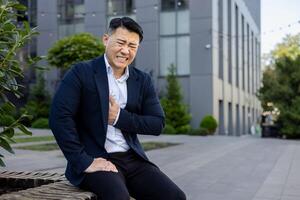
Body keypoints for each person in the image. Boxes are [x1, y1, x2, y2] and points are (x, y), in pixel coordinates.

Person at [49, 17, 186, 200]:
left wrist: (119, 117)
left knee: (175, 197)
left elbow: (157, 123)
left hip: (132, 159)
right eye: (121, 42)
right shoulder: (81, 72)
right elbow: (59, 117)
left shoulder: (142, 80)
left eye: (132, 46)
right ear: (106, 40)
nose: (125, 50)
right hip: (96, 158)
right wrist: (84, 162)